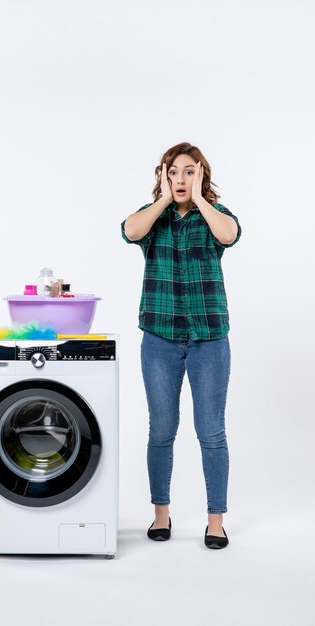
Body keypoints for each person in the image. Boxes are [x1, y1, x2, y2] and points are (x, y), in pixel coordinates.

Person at [120, 142, 242, 549]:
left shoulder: (215, 216)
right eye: (173, 171)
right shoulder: (153, 218)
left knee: (211, 432)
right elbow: (129, 230)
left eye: (189, 171)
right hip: (159, 339)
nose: (181, 179)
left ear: (201, 174)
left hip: (209, 339)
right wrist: (161, 197)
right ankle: (161, 515)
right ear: (164, 175)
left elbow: (230, 234)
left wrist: (202, 196)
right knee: (162, 431)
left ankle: (215, 521)